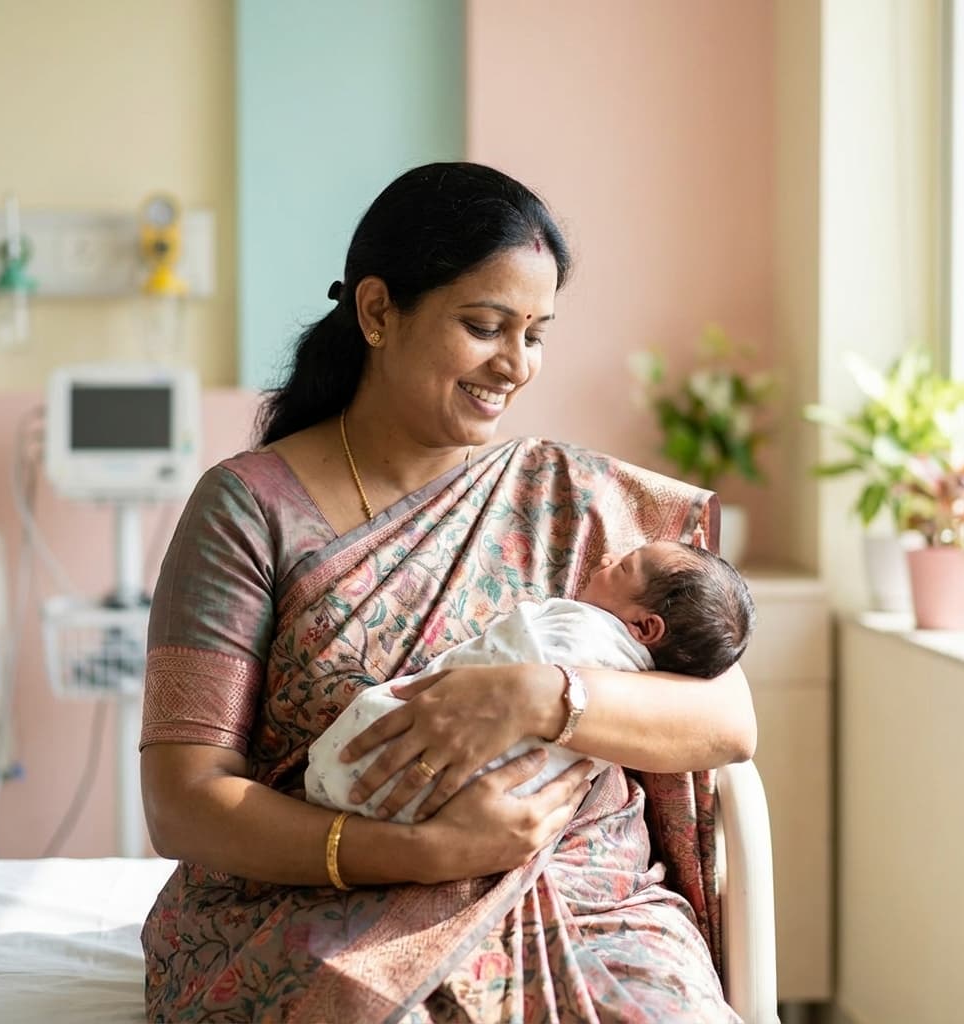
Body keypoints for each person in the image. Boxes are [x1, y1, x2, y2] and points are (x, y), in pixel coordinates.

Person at [139, 161, 756, 1022]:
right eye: (484, 326)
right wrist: (427, 851)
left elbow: (726, 722)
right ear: (377, 311)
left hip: (587, 909)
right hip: (328, 910)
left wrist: (536, 696)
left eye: (535, 334)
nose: (516, 365)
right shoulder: (247, 510)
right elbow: (183, 801)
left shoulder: (572, 503)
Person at [306, 540, 755, 824]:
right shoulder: (653, 660)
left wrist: (533, 692)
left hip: (523, 826)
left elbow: (734, 729)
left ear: (644, 628)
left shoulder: (592, 634)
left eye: (622, 567)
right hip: (406, 833)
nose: (606, 557)